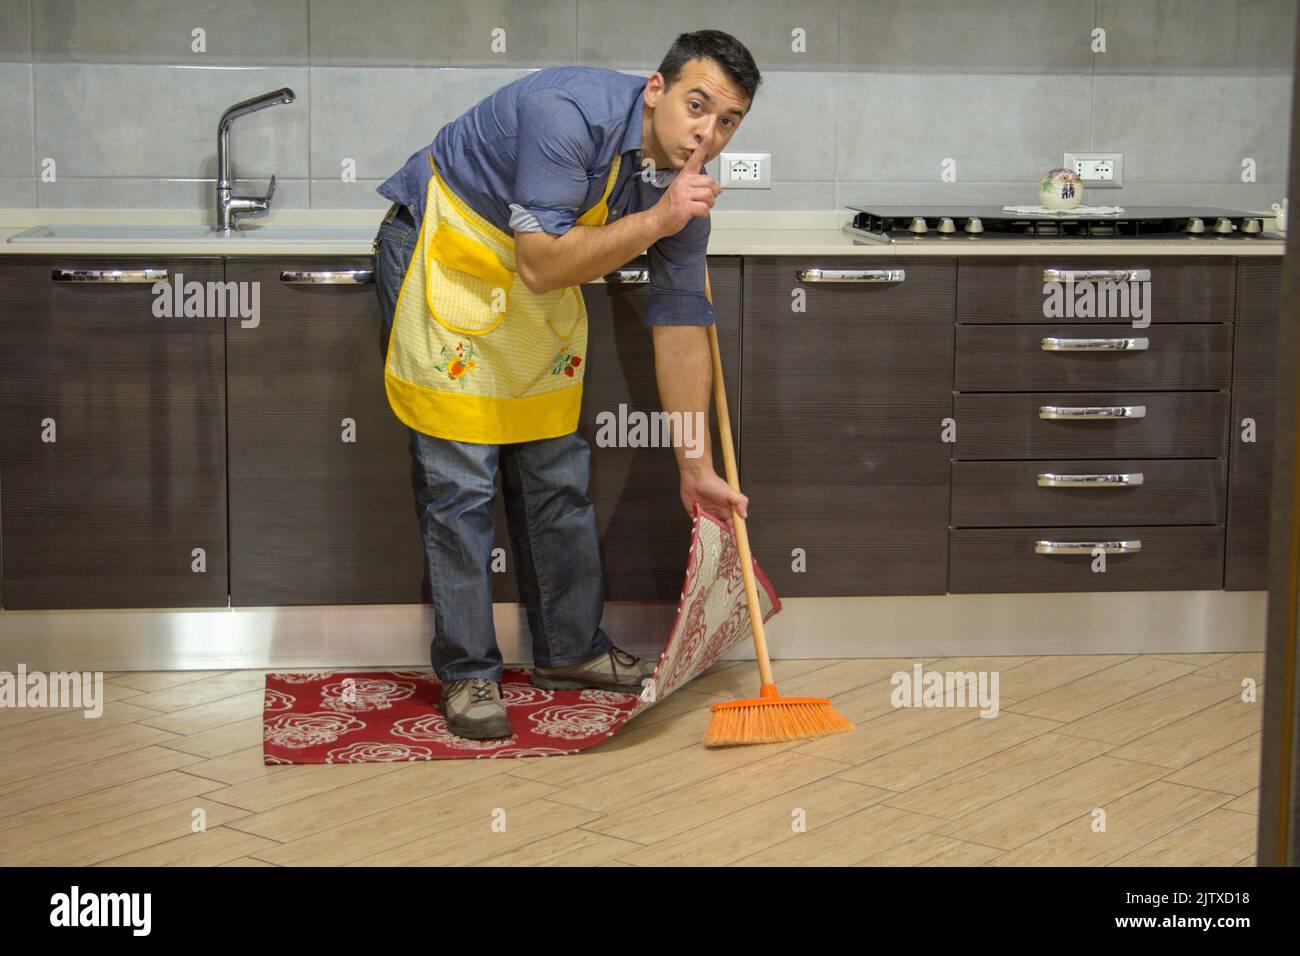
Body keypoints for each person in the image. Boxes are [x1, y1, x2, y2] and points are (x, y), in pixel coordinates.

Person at [372, 30, 761, 740]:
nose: (707, 131)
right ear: (655, 90)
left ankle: (569, 652)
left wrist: (694, 462)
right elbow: (543, 263)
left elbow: (678, 320)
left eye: (728, 120)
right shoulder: (567, 113)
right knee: (460, 478)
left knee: (557, 469)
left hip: (531, 279)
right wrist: (660, 218)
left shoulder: (679, 189)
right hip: (449, 256)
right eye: (696, 105)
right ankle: (468, 673)